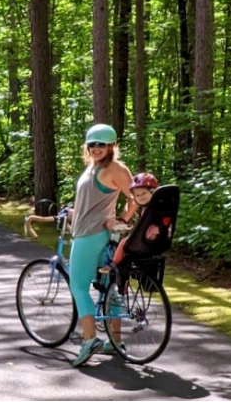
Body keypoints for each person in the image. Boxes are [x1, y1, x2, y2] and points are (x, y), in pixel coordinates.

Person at [68, 123, 136, 367]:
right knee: (109, 288)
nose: (96, 148)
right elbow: (93, 202)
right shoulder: (93, 167)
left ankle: (89, 339)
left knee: (78, 285)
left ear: (112, 146)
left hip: (90, 236)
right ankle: (116, 342)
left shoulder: (115, 168)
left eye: (102, 144)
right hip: (91, 231)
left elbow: (136, 198)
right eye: (92, 144)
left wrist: (121, 220)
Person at [105, 172, 160, 269]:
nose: (141, 197)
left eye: (144, 193)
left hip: (146, 239)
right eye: (137, 195)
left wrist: (132, 230)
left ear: (152, 192)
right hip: (158, 239)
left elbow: (144, 226)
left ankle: (113, 264)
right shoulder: (157, 207)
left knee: (123, 243)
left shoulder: (148, 210)